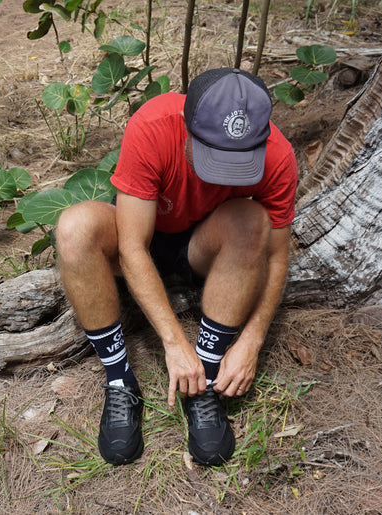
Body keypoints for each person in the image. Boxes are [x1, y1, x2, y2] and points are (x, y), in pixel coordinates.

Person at [55, 68, 298, 466]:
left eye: (239, 162)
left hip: (204, 245)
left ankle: (203, 378)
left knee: (253, 221)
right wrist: (173, 342)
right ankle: (119, 380)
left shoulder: (278, 154)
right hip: (142, 233)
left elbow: (276, 255)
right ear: (186, 127)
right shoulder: (153, 125)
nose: (223, 173)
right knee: (74, 227)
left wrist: (251, 341)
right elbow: (133, 247)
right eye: (214, 157)